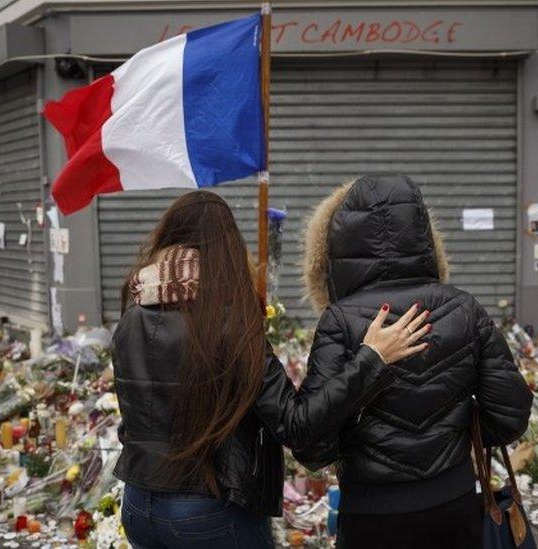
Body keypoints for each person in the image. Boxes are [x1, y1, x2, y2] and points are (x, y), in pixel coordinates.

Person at [112, 190, 429, 548]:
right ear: (228, 249)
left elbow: (135, 421)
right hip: (206, 511)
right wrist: (371, 359)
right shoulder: (229, 325)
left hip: (138, 507)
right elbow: (296, 424)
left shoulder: (130, 320)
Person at [296, 174, 533, 548]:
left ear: (337, 246)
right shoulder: (464, 308)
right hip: (452, 503)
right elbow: (510, 415)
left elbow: (312, 445)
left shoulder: (339, 321)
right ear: (424, 234)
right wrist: (450, 436)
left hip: (372, 513)